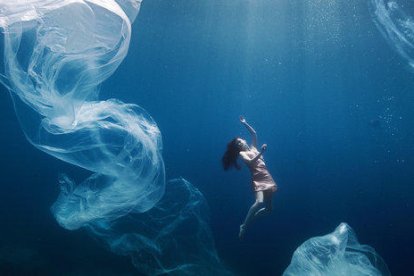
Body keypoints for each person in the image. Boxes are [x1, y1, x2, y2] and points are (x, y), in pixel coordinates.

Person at [222, 116, 277, 240]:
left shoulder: (253, 148)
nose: (241, 142)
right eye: (238, 143)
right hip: (258, 178)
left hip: (267, 177)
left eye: (241, 140)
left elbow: (254, 133)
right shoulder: (243, 153)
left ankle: (254, 216)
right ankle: (244, 226)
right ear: (238, 148)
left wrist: (244, 123)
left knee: (269, 209)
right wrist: (261, 153)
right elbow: (251, 162)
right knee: (259, 202)